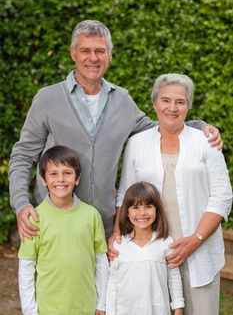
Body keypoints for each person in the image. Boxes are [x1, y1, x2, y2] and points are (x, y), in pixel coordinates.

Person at [9, 20, 222, 241]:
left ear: (110, 55)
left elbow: (159, 127)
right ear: (73, 53)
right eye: (85, 51)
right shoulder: (47, 99)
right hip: (53, 221)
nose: (93, 58)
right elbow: (23, 156)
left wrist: (199, 126)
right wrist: (22, 204)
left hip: (105, 226)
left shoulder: (122, 100)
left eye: (100, 51)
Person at [115, 74, 232, 315]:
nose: (172, 107)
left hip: (199, 252)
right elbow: (125, 195)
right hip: (152, 253)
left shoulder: (206, 141)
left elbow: (222, 196)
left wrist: (194, 240)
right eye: (165, 100)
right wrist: (117, 235)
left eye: (180, 101)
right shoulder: (137, 143)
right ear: (155, 103)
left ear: (189, 105)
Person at [18, 145, 109, 315]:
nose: (61, 179)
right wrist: (30, 311)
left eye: (67, 173)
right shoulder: (34, 218)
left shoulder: (92, 215)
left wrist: (102, 303)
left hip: (86, 308)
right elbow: (26, 267)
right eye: (53, 173)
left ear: (77, 178)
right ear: (43, 180)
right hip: (48, 309)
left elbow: (101, 262)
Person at [106, 181, 184, 315]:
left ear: (157, 210)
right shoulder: (119, 246)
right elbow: (113, 282)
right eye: (135, 207)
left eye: (148, 206)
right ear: (127, 213)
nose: (142, 213)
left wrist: (178, 308)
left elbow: (173, 278)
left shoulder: (166, 243)